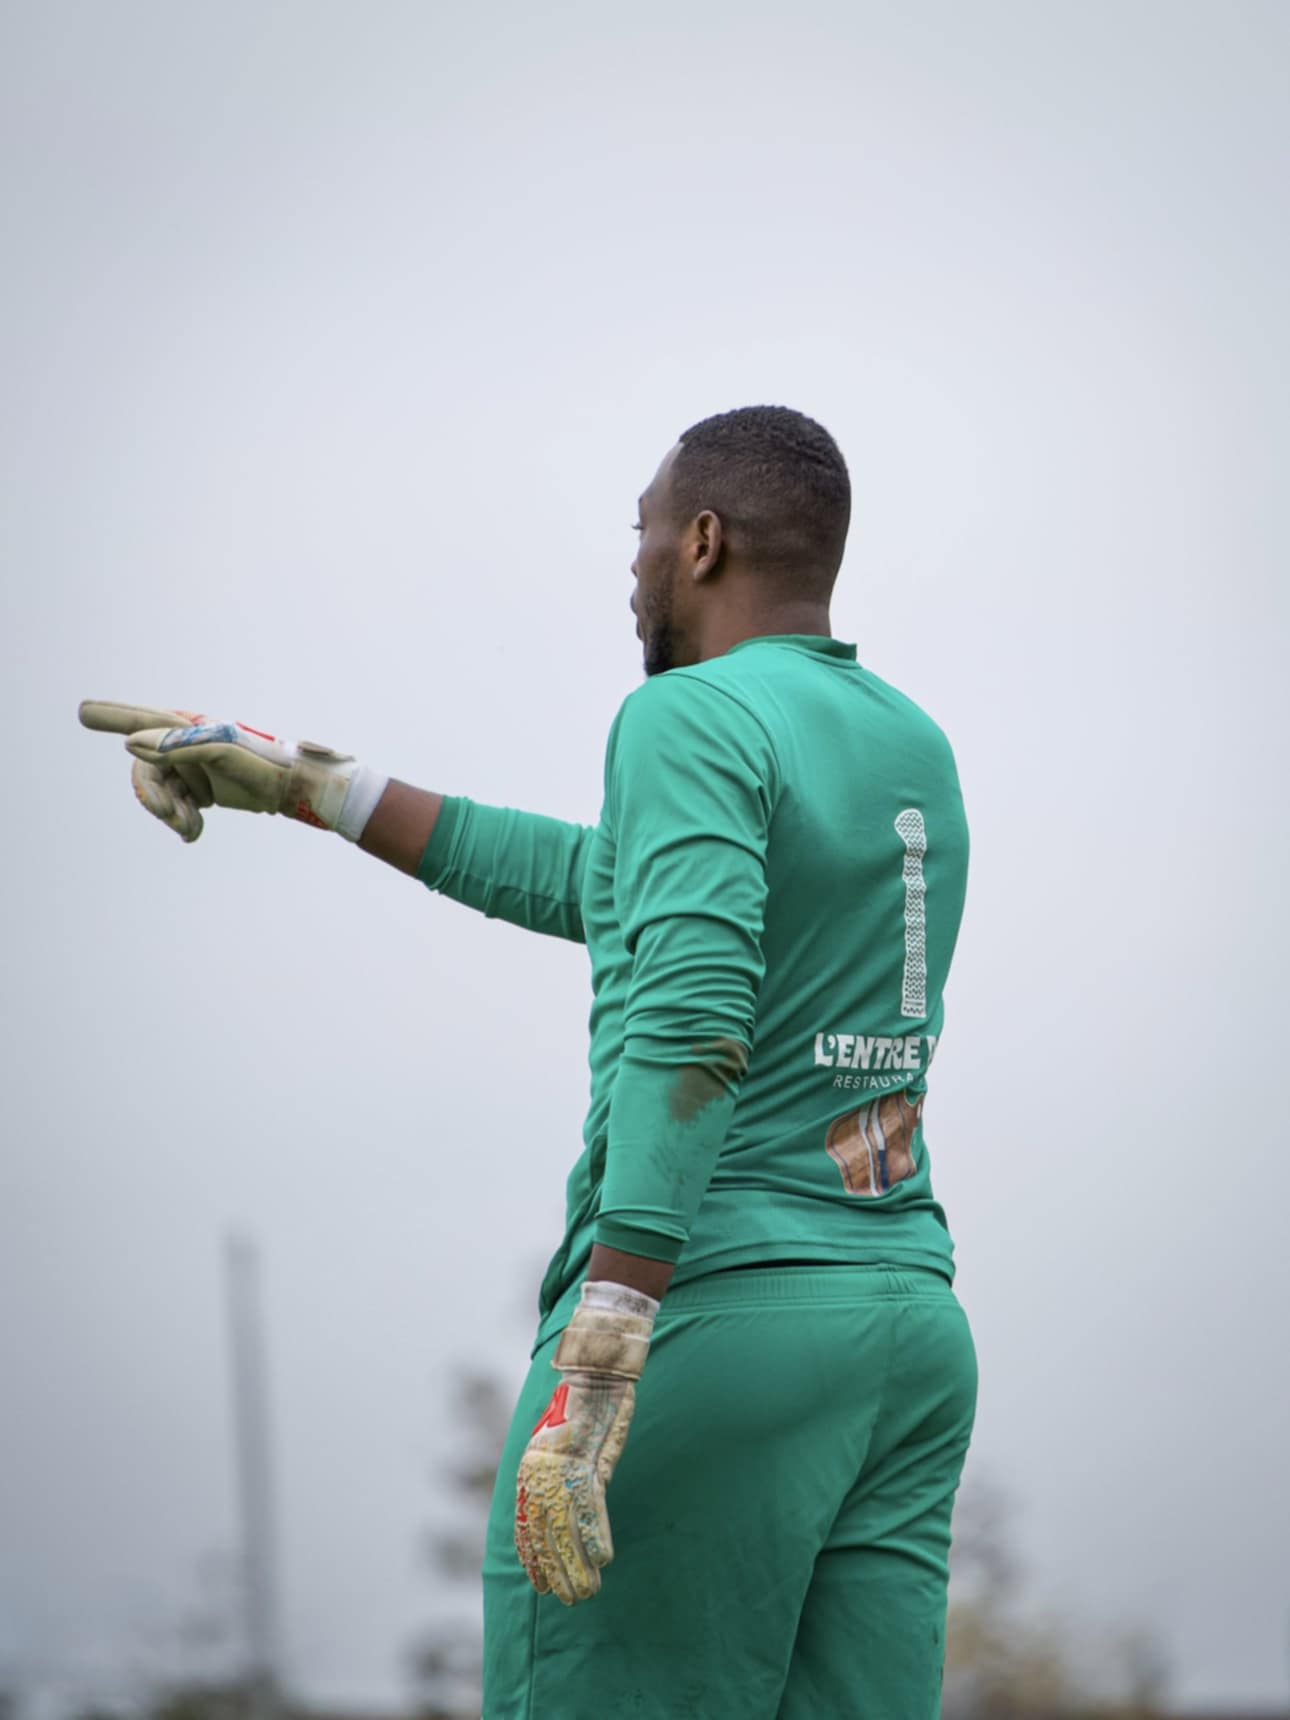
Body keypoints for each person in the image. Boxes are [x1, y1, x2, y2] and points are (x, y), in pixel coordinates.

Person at [80, 405, 976, 1719]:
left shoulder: (686, 715)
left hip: (707, 1326)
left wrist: (605, 1350)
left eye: (644, 532)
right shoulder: (911, 744)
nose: (633, 565)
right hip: (902, 1339)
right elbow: (612, 885)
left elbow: (692, 1014)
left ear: (703, 543)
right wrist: (313, 784)